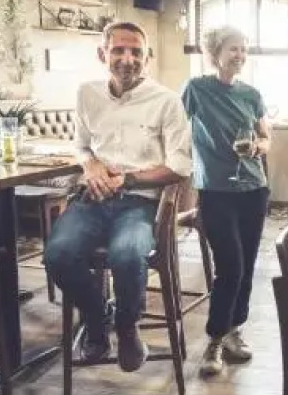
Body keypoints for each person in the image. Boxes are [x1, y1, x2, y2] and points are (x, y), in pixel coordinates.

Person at [43, 22, 193, 372]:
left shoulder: (166, 101)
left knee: (126, 254)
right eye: (118, 50)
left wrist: (126, 180)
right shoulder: (87, 93)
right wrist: (91, 164)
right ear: (103, 54)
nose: (128, 59)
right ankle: (97, 320)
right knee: (58, 255)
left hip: (140, 203)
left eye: (136, 52)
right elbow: (81, 145)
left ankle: (127, 327)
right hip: (92, 199)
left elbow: (181, 165)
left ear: (147, 58)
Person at [180, 26, 272, 378]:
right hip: (216, 191)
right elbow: (174, 128)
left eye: (244, 49)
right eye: (233, 48)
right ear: (214, 52)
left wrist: (259, 147)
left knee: (246, 266)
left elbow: (266, 137)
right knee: (230, 266)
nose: (240, 55)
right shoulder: (196, 89)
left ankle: (235, 330)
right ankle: (215, 339)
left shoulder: (252, 94)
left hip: (253, 188)